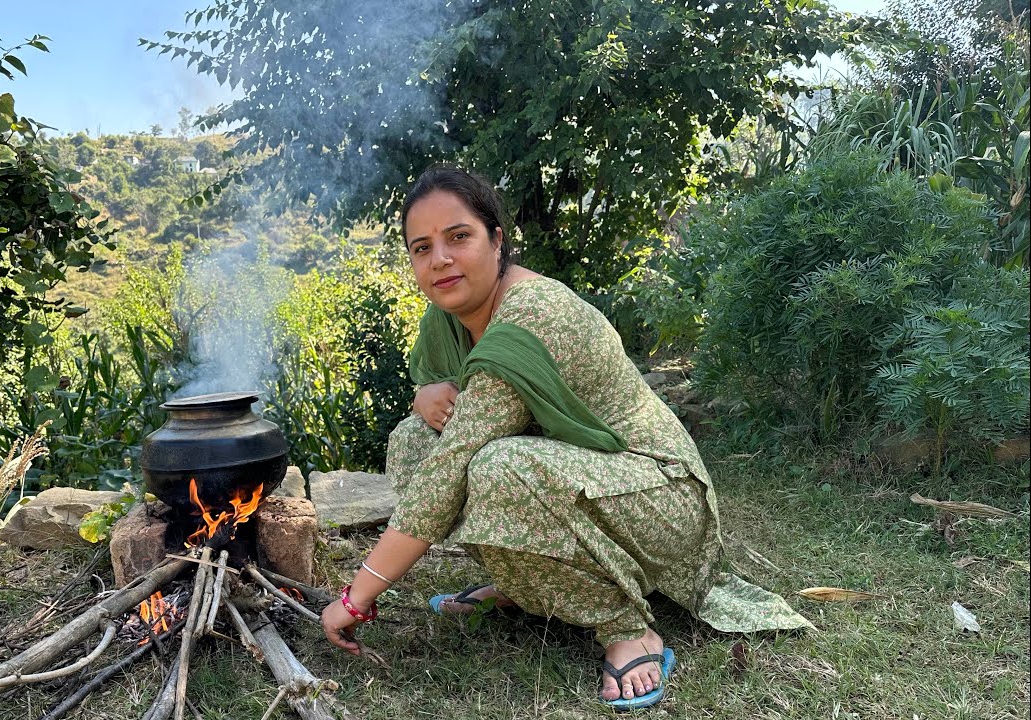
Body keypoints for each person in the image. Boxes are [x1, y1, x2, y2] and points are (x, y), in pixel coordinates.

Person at [320, 165, 811, 710]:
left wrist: (358, 595)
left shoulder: (533, 314)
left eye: (458, 237)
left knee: (496, 468)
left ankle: (628, 629)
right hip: (583, 482)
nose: (440, 259)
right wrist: (423, 395)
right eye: (422, 247)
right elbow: (443, 399)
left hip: (660, 494)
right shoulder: (450, 315)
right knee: (414, 439)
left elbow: (457, 460)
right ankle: (531, 589)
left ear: (497, 240)